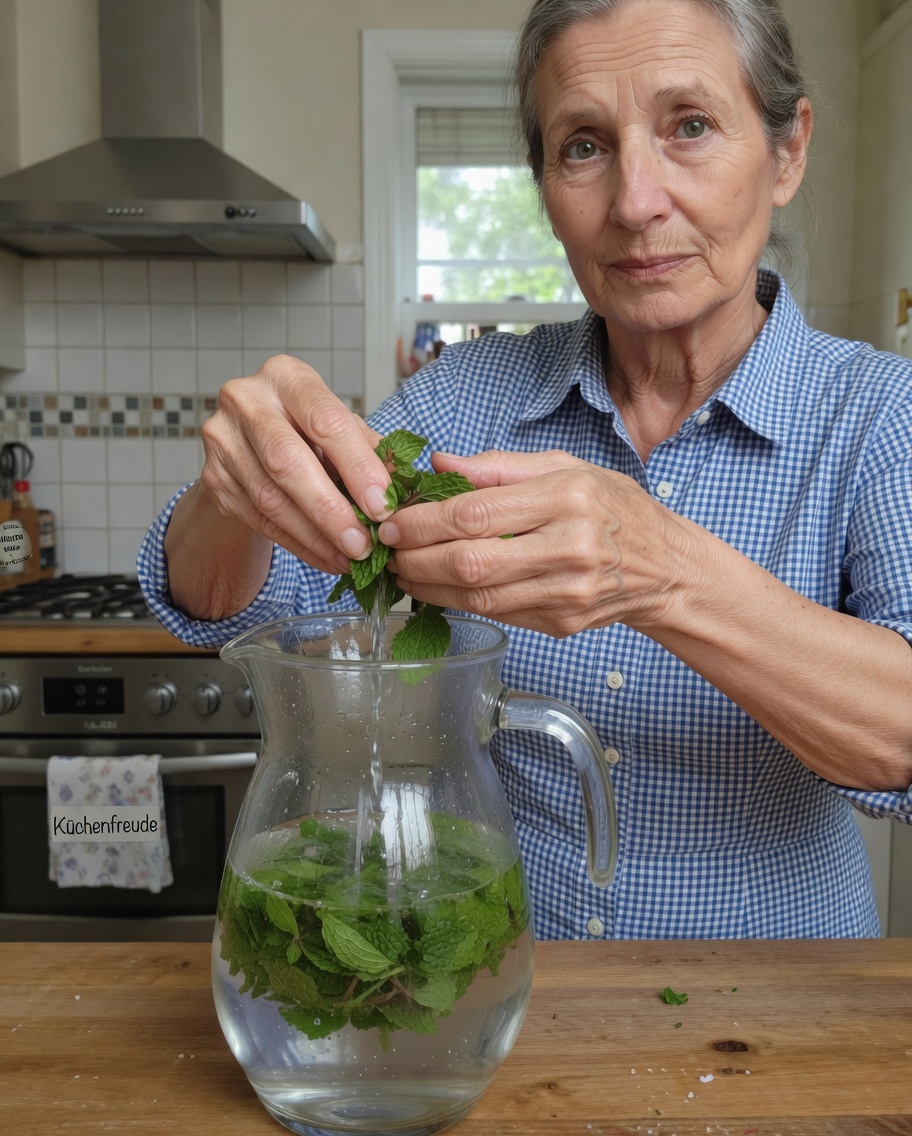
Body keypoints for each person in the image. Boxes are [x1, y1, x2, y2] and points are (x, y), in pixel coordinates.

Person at [138, 0, 912, 939]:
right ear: (546, 185)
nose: (634, 202)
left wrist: (661, 571)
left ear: (787, 152)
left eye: (691, 126)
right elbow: (241, 602)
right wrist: (237, 494)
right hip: (504, 1010)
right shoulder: (460, 400)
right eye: (583, 146)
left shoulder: (880, 415)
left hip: (778, 1023)